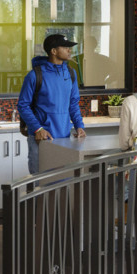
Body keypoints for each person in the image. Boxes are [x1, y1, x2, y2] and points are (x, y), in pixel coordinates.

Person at [17, 32, 87, 174]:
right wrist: (38, 129)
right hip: (41, 139)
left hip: (64, 139)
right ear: (53, 51)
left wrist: (79, 125)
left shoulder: (71, 73)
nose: (69, 50)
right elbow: (22, 105)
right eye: (65, 47)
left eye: (69, 47)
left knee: (62, 183)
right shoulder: (34, 75)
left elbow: (73, 104)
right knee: (39, 184)